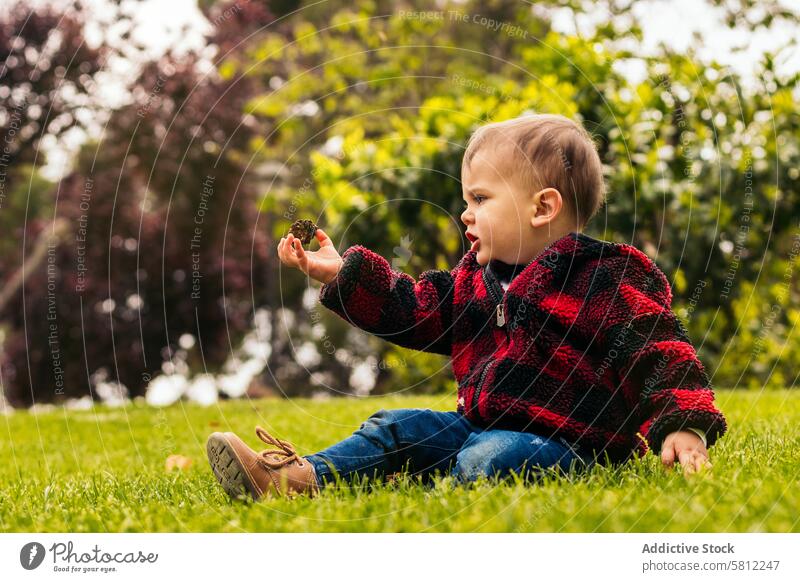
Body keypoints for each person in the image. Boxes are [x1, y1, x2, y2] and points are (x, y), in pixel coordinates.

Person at [206, 113, 727, 502]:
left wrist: (685, 422)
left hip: (574, 443)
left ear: (543, 207)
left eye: (480, 199)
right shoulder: (475, 278)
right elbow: (413, 308)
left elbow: (662, 349)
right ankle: (297, 477)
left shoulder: (607, 277)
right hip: (476, 425)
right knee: (396, 424)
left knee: (491, 459)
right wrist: (341, 273)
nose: (465, 213)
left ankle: (425, 476)